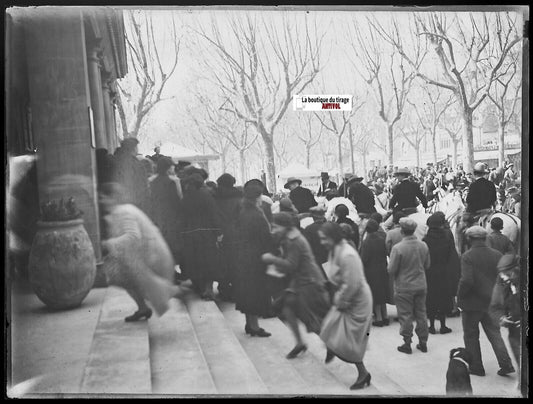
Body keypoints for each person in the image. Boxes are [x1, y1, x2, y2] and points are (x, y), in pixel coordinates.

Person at [99, 182, 181, 321]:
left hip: (149, 256)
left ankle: (175, 292)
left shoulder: (124, 212)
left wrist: (108, 244)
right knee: (124, 279)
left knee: (135, 282)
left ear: (113, 197)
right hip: (139, 256)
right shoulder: (120, 211)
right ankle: (145, 306)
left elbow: (133, 236)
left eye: (103, 197)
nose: (101, 201)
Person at [261, 212, 331, 359]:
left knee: (310, 319)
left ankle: (332, 344)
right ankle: (300, 343)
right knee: (288, 309)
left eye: (276, 227)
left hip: (309, 283)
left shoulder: (294, 241)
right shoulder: (289, 237)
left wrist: (272, 260)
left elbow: (291, 265)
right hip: (301, 281)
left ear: (285, 227)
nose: (274, 230)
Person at [318, 222, 373, 390]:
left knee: (351, 342)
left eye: (324, 238)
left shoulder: (348, 254)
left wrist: (340, 301)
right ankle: (334, 349)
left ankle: (363, 373)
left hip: (356, 301)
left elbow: (353, 284)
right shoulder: (335, 250)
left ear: (333, 237)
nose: (322, 242)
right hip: (344, 296)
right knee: (328, 328)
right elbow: (336, 274)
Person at [457, 226, 515, 377]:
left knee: (471, 335)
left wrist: (460, 296)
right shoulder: (496, 255)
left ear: (469, 239)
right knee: (495, 334)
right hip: (491, 302)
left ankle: (476, 367)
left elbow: (467, 281)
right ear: (485, 238)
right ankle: (506, 364)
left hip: (472, 303)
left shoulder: (467, 256)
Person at [234, 179, 274, 337]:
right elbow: (264, 237)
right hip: (256, 257)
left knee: (248, 291)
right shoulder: (256, 214)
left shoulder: (243, 211)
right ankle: (255, 326)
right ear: (257, 197)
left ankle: (250, 323)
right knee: (256, 292)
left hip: (244, 256)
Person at [388, 218, 431, 354]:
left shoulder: (398, 248)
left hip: (404, 286)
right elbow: (427, 265)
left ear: (402, 231)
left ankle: (407, 342)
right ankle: (423, 341)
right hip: (420, 284)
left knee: (405, 315)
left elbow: (391, 269)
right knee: (421, 314)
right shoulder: (423, 245)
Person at [180, 173, 222, 300]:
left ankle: (200, 286)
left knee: (195, 261)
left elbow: (181, 217)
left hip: (190, 233)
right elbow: (213, 214)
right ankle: (208, 289)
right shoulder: (207, 196)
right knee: (208, 261)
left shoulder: (185, 198)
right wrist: (218, 231)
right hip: (206, 233)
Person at [423, 213, 460, 335]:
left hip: (429, 273)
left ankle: (432, 326)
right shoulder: (447, 239)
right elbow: (453, 258)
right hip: (443, 273)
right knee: (443, 299)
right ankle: (443, 326)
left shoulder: (425, 240)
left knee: (431, 299)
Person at [489, 254, 521, 377]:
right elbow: (494, 306)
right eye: (502, 274)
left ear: (518, 270)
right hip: (515, 334)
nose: (504, 277)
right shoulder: (502, 280)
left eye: (508, 273)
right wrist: (501, 318)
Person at [213, 173, 243, 302]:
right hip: (237, 233)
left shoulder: (214, 197)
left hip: (221, 233)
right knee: (236, 262)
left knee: (222, 261)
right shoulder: (240, 198)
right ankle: (237, 289)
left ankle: (223, 288)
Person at [149, 157, 182, 267]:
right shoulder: (172, 182)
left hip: (156, 218)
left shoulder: (151, 182)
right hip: (170, 219)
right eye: (171, 166)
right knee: (170, 247)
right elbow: (176, 202)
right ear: (168, 168)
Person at [360, 219, 389, 327]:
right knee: (383, 292)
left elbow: (364, 258)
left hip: (371, 269)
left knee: (375, 294)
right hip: (382, 267)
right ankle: (385, 316)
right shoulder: (382, 238)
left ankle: (379, 318)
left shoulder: (367, 241)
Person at [112, 137, 151, 215]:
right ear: (133, 148)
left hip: (120, 203)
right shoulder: (136, 164)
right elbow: (142, 185)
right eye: (136, 147)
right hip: (136, 202)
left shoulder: (117, 161)